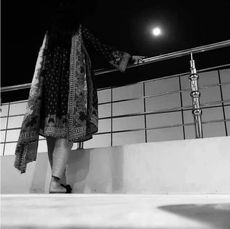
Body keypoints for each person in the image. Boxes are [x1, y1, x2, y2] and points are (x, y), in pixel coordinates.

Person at [14, 0, 145, 193]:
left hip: (49, 90)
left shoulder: (49, 35)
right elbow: (101, 48)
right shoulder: (78, 30)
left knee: (52, 135)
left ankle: (59, 182)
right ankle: (55, 182)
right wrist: (128, 58)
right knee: (66, 135)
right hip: (69, 90)